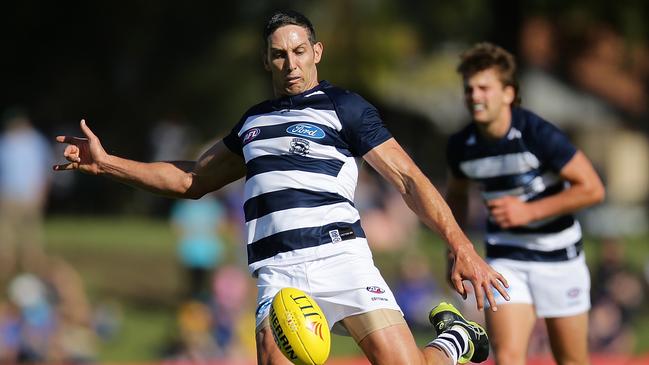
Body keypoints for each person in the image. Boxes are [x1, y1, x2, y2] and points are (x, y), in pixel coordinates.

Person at [53, 10, 509, 365]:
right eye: (279, 54)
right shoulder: (252, 122)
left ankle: (455, 340)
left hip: (341, 259)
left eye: (298, 51)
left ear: (316, 52)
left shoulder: (344, 108)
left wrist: (461, 246)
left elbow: (409, 178)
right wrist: (109, 163)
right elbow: (191, 179)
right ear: (267, 60)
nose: (290, 63)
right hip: (279, 275)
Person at [445, 42, 605, 365]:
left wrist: (528, 211)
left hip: (560, 257)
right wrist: (456, 250)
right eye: (469, 89)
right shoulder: (461, 146)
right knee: (507, 358)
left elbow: (592, 189)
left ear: (508, 93)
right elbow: (458, 194)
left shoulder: (537, 134)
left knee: (571, 360)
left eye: (484, 88)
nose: (475, 96)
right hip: (505, 258)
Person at [0, 109, 52, 282]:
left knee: (31, 237)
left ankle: (32, 271)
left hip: (30, 196)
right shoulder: (6, 141)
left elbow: (46, 168)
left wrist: (42, 192)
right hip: (9, 195)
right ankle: (7, 271)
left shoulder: (36, 141)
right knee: (6, 237)